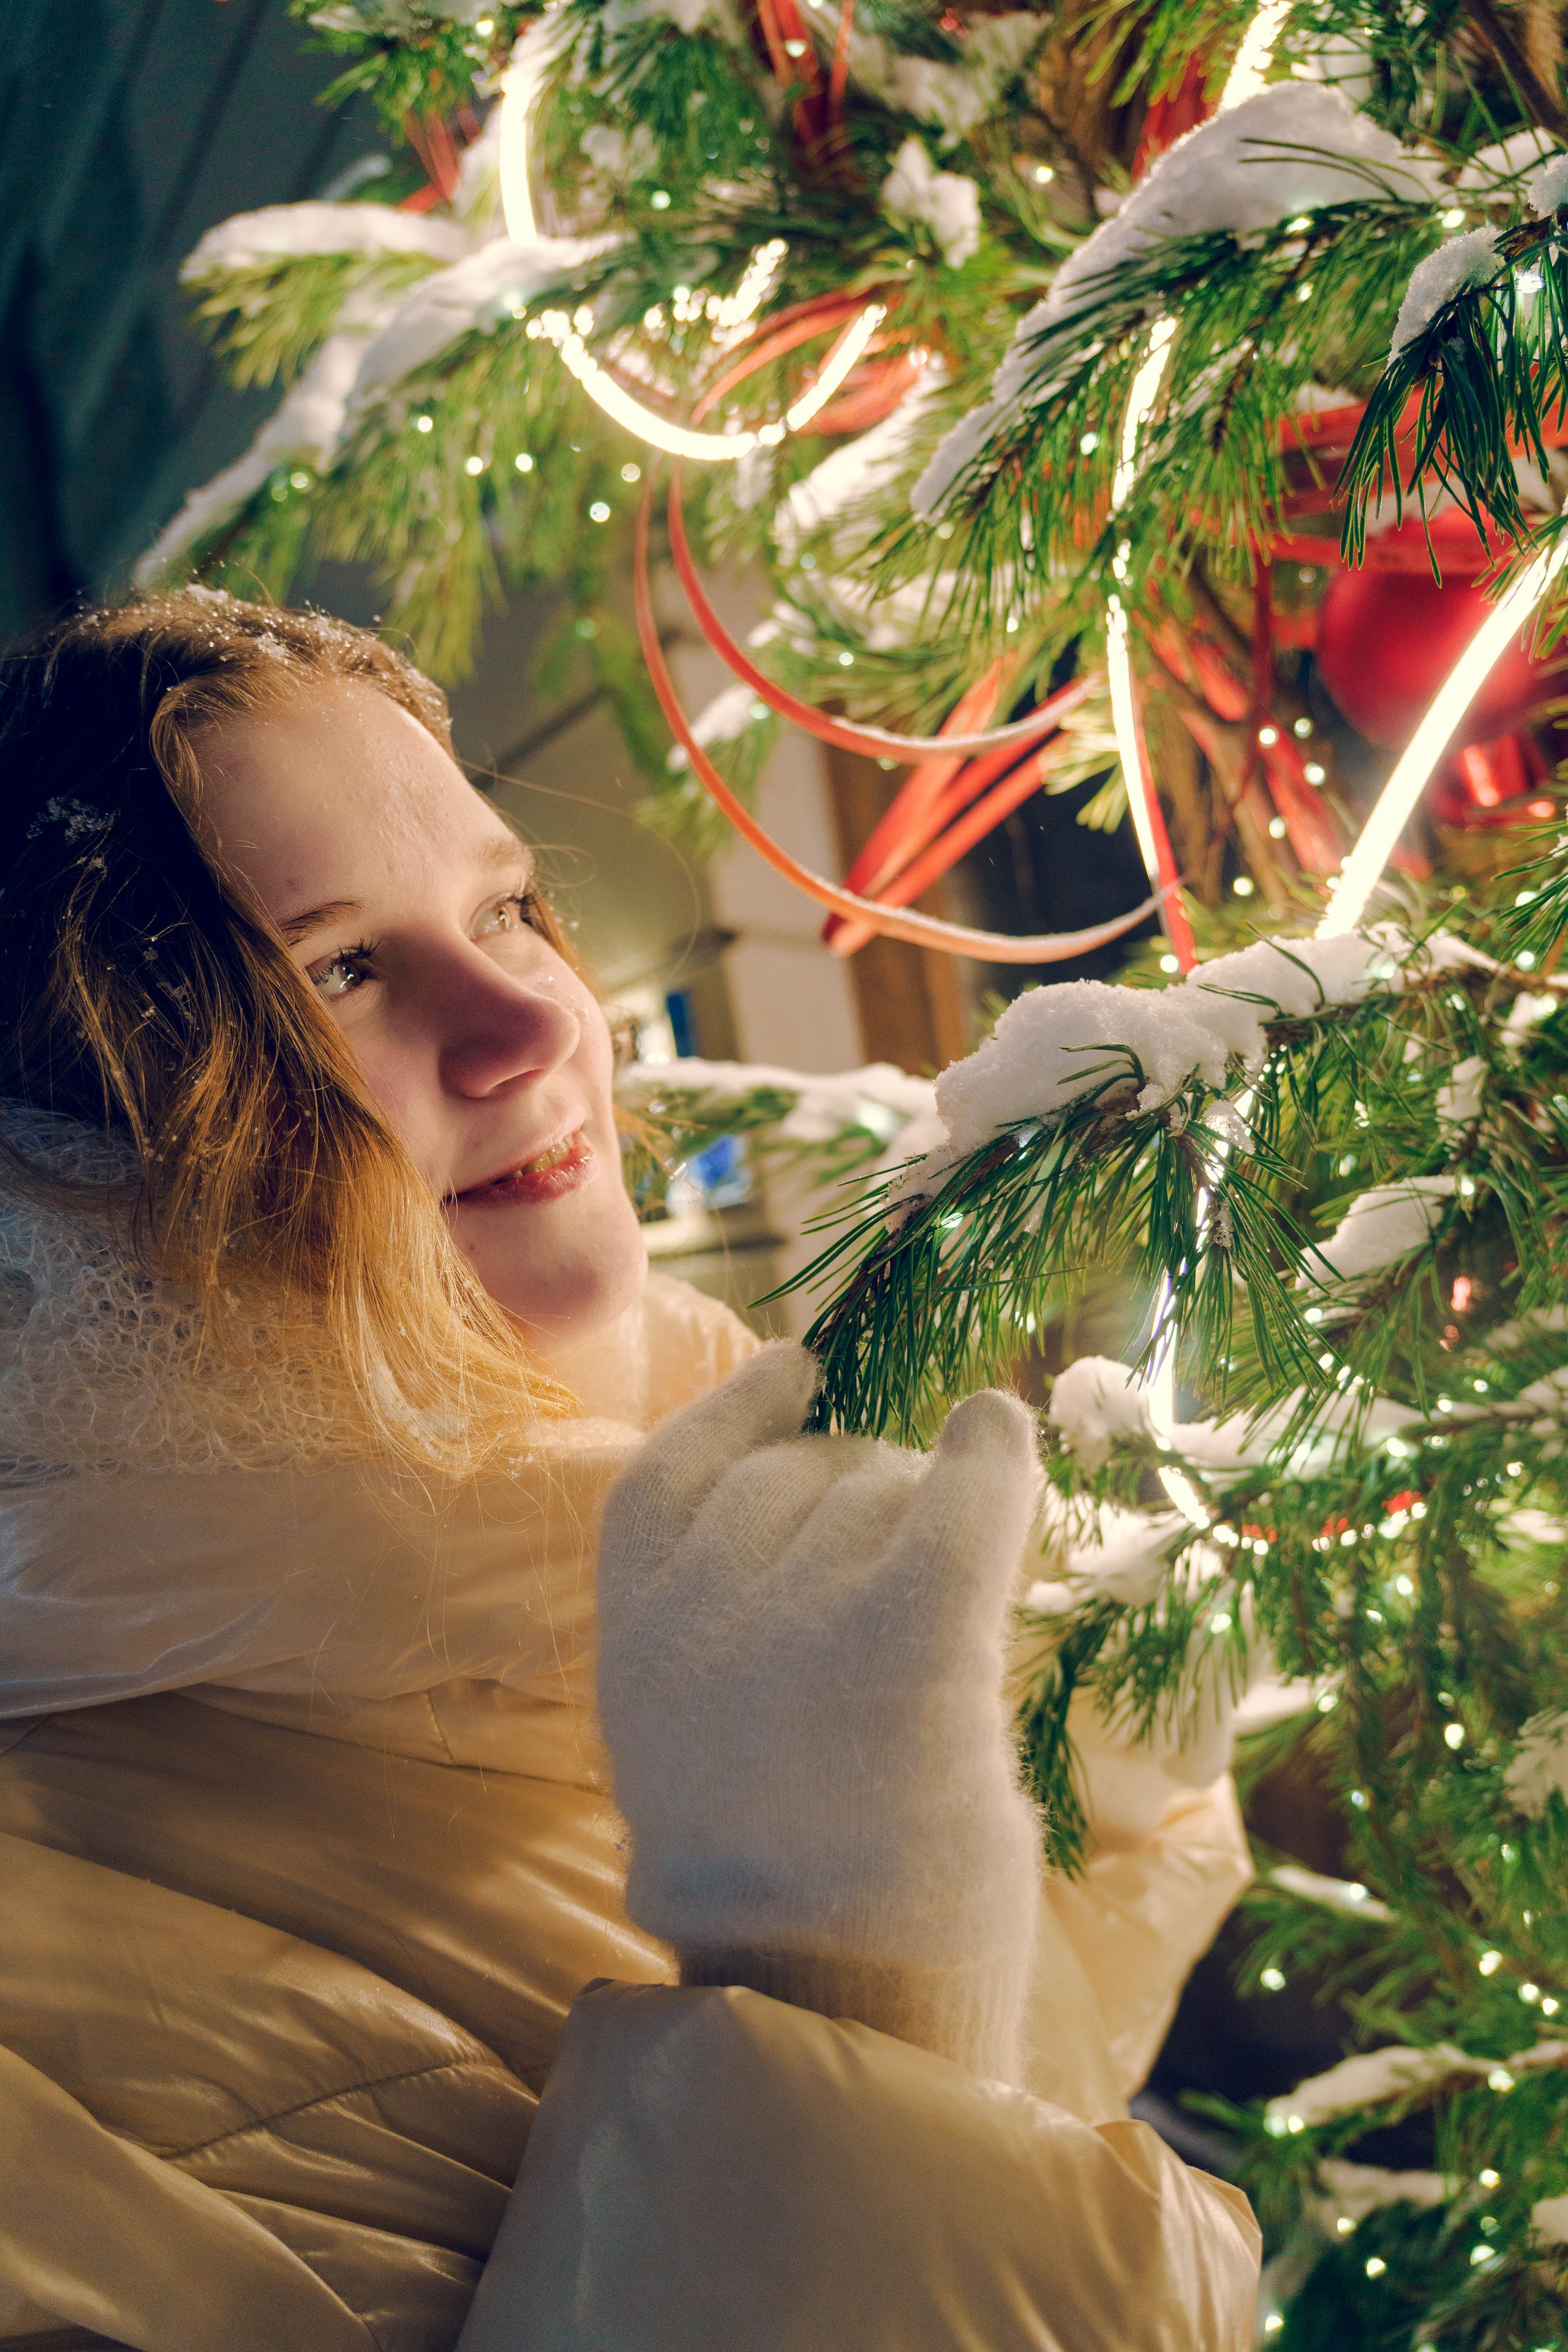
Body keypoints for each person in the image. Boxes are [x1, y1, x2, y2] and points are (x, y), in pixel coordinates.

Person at [0, 590, 1259, 2352]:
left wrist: (1108, 1788)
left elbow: (1070, 2123)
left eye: (507, 906)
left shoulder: (709, 1502)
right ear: (77, 1175)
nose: (530, 1022)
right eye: (340, 969)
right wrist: (842, 1976)